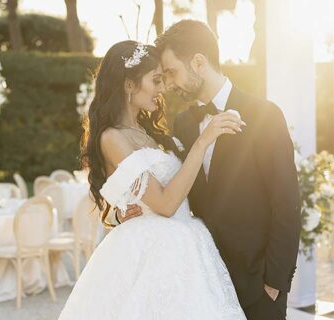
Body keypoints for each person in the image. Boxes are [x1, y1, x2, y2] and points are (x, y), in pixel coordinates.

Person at [119, 20, 302, 320]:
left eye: (171, 73)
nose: (168, 85)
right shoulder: (184, 124)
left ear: (199, 62)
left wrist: (274, 282)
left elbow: (286, 203)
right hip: (204, 283)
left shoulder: (264, 115)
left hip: (258, 286)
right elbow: (176, 189)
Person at [57, 40, 246, 320]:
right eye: (156, 80)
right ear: (129, 84)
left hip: (186, 246)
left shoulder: (149, 133)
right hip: (154, 253)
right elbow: (165, 204)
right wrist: (205, 140)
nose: (162, 88)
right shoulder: (112, 138)